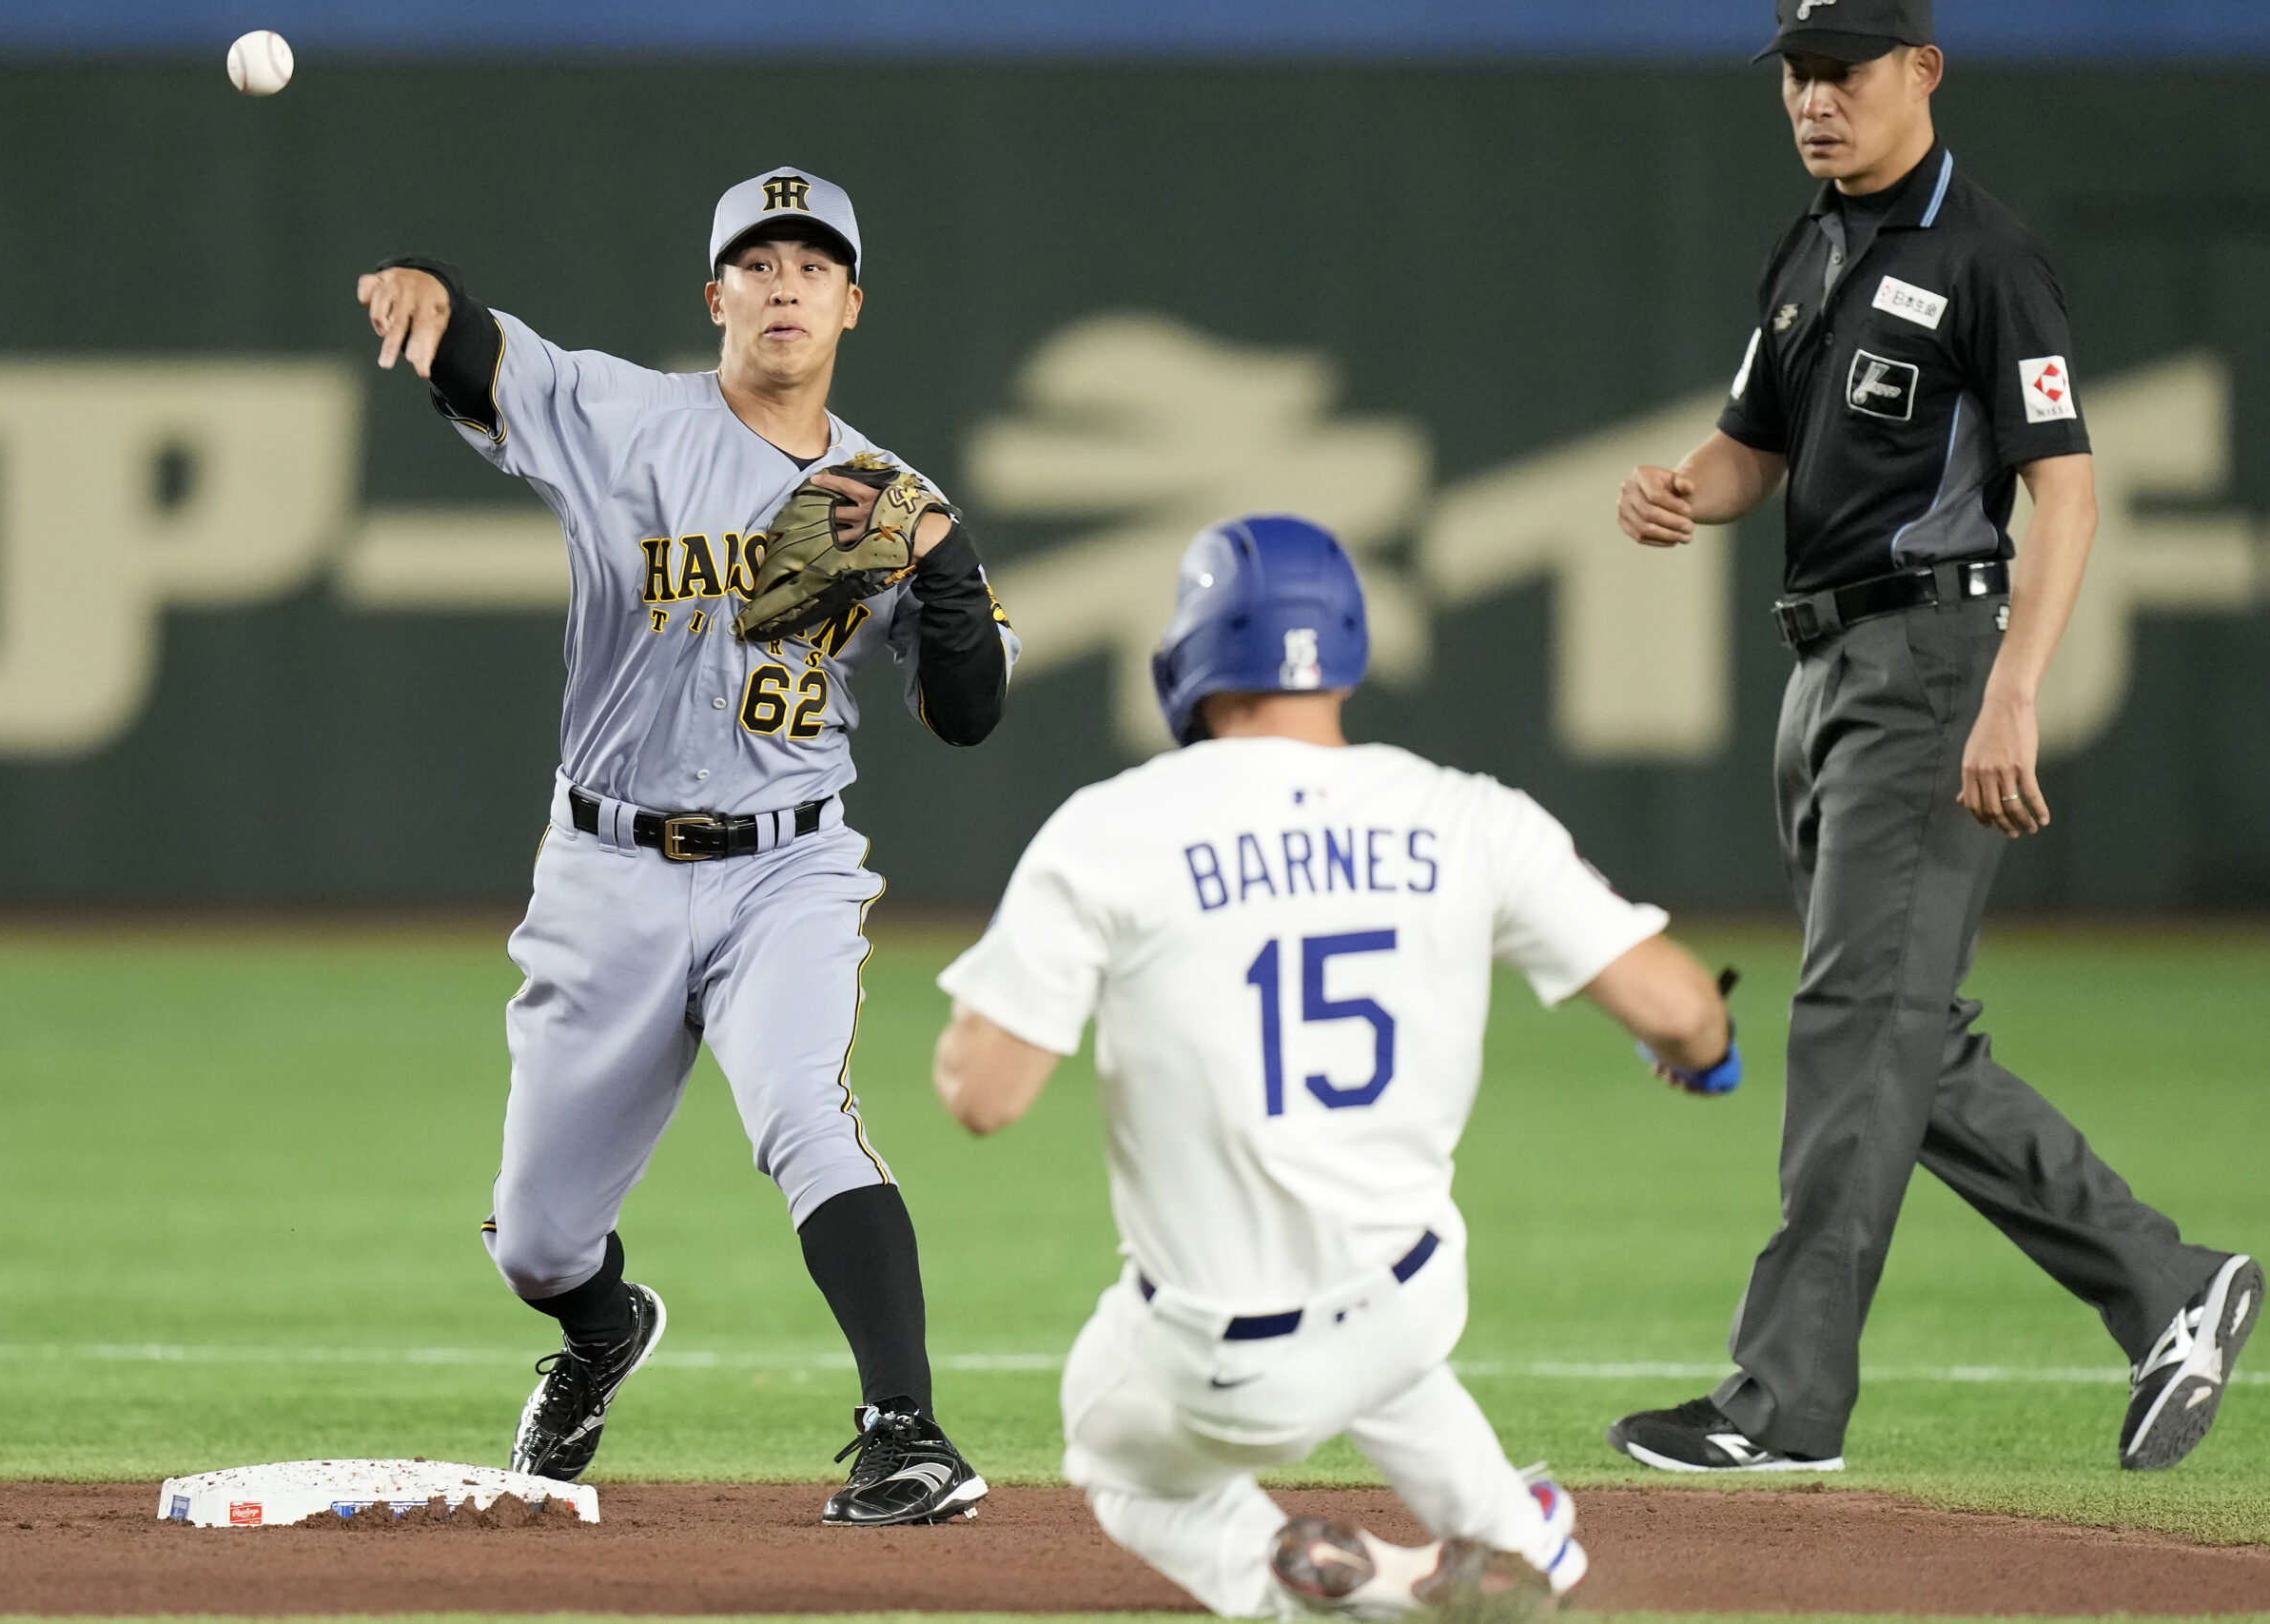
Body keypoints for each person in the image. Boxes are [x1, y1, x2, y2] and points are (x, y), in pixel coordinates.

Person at [1609, 0, 2255, 1476]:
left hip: (1932, 658)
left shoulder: (1989, 252)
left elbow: (2069, 489)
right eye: (1797, 74)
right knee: (1899, 1038)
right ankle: (2168, 1282)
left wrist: (2016, 687)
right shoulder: (1812, 244)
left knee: (1855, 1029)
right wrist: (1683, 492)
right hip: (1825, 664)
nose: (1815, 100)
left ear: (1923, 70)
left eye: (1844, 70)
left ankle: (1783, 1402)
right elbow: (1753, 447)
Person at [353, 166, 1016, 1524]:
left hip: (789, 864)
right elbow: (486, 362)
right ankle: (601, 1330)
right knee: (536, 1235)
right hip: (607, 867)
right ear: (716, 296)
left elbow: (968, 711)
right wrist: (436, 298)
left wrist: (945, 575)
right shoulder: (624, 419)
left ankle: (910, 1432)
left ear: (851, 305)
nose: (785, 283)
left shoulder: (885, 496)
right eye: (759, 263)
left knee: (804, 1117)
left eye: (812, 264)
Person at [930, 515, 1738, 1617]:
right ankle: (1514, 1544)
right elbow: (1686, 1012)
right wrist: (1703, 1059)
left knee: (1114, 1456)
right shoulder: (1466, 815)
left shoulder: (1115, 828)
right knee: (1391, 1351)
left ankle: (1370, 1589)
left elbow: (984, 1096)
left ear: (1189, 655)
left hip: (1221, 1359)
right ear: (1347, 649)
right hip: (1411, 1294)